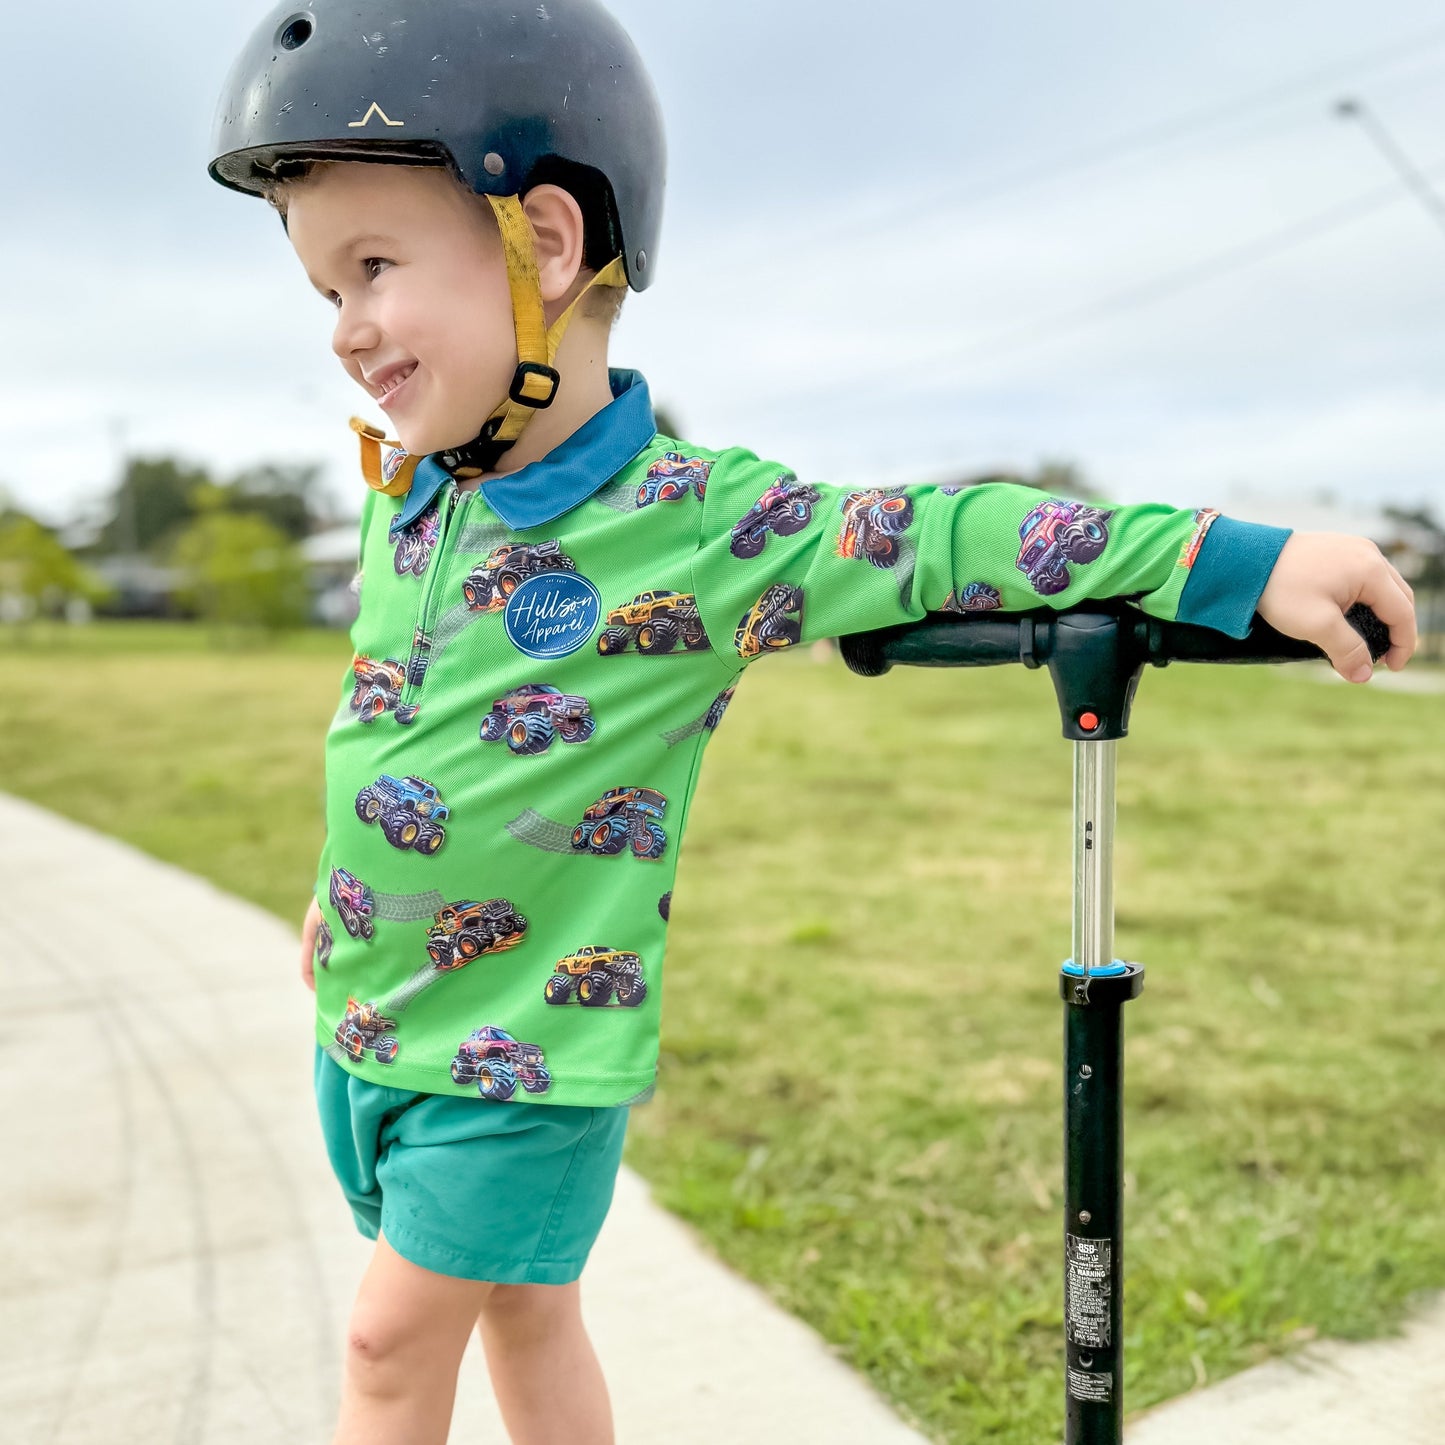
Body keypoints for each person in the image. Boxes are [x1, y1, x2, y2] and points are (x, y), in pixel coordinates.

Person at [208, 3, 1417, 1442]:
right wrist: (343, 892)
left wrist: (1234, 560)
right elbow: (394, 720)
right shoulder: (418, 496)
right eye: (322, 289)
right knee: (529, 1309)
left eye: (374, 267)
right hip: (374, 1010)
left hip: (520, 1053)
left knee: (389, 1344)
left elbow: (939, 534)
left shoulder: (691, 526)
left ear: (540, 244)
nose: (344, 331)